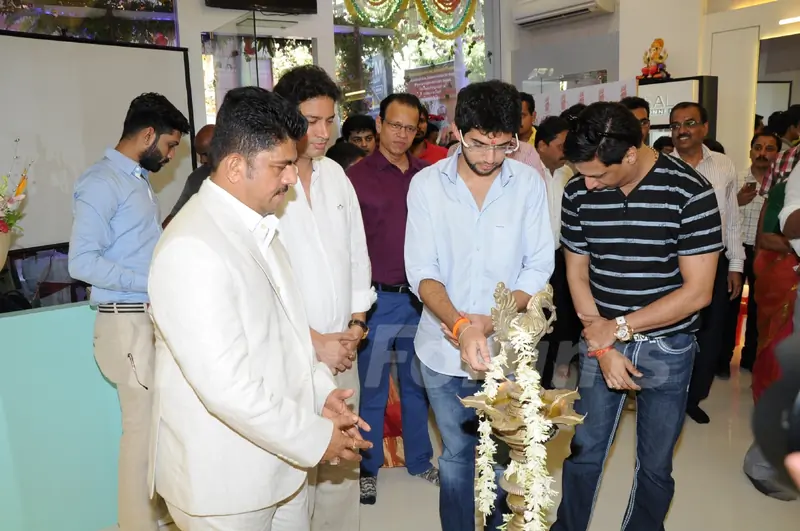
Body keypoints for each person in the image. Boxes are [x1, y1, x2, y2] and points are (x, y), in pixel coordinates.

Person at [147, 86, 372, 530]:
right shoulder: (192, 247)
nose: (292, 177)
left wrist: (320, 391)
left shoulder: (260, 226)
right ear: (235, 166)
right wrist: (315, 437)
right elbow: (227, 387)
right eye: (281, 166)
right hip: (225, 483)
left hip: (281, 464)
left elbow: (289, 333)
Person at [552, 102, 722, 531]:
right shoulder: (577, 191)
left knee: (655, 463)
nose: (588, 184)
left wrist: (619, 328)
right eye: (581, 174)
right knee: (585, 448)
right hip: (600, 337)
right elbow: (576, 272)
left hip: (668, 346)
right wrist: (603, 343)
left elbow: (698, 291)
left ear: (630, 153)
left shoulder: (691, 192)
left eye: (598, 174)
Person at [406, 80, 554, 531]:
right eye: (478, 143)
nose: (490, 157)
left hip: (507, 349)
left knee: (504, 455)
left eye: (503, 145)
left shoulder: (528, 184)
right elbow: (422, 270)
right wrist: (461, 325)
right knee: (457, 454)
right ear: (456, 131)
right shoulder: (427, 185)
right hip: (441, 349)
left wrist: (492, 320)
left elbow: (538, 264)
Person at [67, 93, 190, 531]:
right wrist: (151, 282)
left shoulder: (136, 180)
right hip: (124, 322)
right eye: (170, 145)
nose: (171, 155)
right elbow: (81, 262)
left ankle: (153, 519)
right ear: (148, 134)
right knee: (141, 434)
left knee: (153, 430)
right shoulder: (102, 182)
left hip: (143, 318)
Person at [273, 65, 376, 531]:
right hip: (292, 354)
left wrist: (356, 325)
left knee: (342, 462)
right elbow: (266, 283)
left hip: (344, 349)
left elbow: (357, 252)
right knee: (297, 472)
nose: (323, 132)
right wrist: (315, 341)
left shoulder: (336, 174)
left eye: (330, 120)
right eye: (311, 121)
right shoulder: (269, 181)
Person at [346, 93, 438, 505]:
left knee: (418, 386)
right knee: (373, 389)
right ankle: (367, 468)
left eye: (410, 127)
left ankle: (419, 460)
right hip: (378, 301)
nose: (402, 134)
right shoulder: (356, 178)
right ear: (379, 125)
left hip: (421, 302)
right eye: (395, 125)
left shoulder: (427, 176)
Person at [671, 102, 744, 421]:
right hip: (671, 265)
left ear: (705, 127)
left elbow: (732, 219)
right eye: (675, 125)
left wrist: (736, 264)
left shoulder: (724, 165)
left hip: (714, 262)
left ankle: (694, 397)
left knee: (710, 334)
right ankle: (668, 396)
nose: (682, 131)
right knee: (673, 331)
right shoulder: (660, 166)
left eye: (689, 123)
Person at [533, 115, 580, 389]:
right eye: (561, 145)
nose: (566, 151)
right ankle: (532, 381)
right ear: (542, 146)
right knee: (535, 323)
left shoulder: (567, 174)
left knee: (559, 322)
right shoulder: (527, 174)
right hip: (532, 262)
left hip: (560, 259)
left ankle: (551, 377)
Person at [163, 124, 215, 226]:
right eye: (199, 155)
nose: (202, 160)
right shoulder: (196, 178)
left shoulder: (243, 173)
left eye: (205, 154)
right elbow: (177, 214)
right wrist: (161, 234)